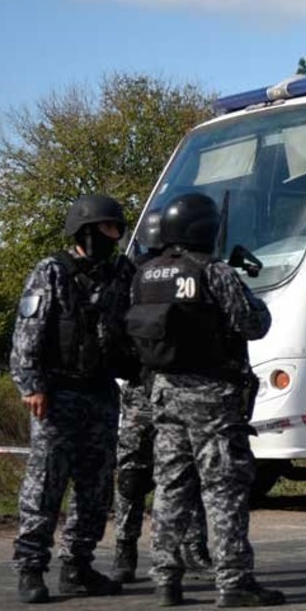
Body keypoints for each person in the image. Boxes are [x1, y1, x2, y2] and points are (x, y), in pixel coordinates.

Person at [126, 192, 284, 607]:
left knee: (170, 486)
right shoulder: (213, 271)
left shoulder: (146, 275)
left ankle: (166, 579)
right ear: (207, 230)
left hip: (163, 393)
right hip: (211, 396)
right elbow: (254, 324)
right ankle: (234, 582)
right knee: (224, 489)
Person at [10, 194, 132, 603]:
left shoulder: (120, 273)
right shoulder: (52, 272)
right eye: (109, 228)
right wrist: (32, 385)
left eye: (117, 229)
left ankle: (78, 566)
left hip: (100, 392)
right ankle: (30, 568)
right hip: (57, 394)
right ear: (87, 230)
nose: (115, 236)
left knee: (95, 488)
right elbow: (28, 332)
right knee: (45, 484)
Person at [110, 210, 212, 584]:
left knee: (186, 468)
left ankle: (193, 548)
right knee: (134, 474)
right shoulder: (129, 282)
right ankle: (125, 547)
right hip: (141, 386)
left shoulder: (179, 275)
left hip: (174, 385)